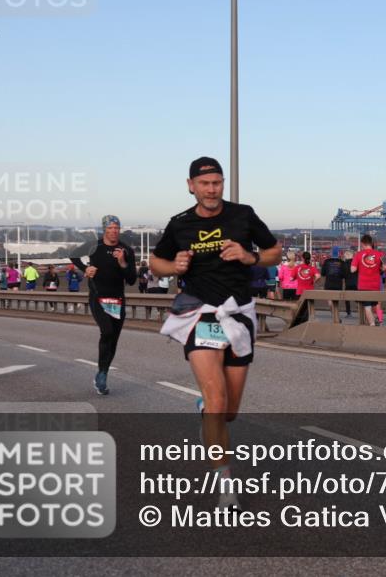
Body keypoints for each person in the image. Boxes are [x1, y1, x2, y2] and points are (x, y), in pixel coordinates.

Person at [149, 157, 281, 511]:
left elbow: (274, 252)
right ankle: (226, 486)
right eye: (205, 184)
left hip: (237, 313)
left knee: (230, 412)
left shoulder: (243, 215)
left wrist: (250, 257)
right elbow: (155, 263)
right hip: (200, 313)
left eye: (217, 183)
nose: (212, 190)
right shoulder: (180, 224)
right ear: (191, 185)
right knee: (218, 402)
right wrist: (173, 266)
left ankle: (206, 410)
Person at [73, 215, 137, 395]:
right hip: (98, 297)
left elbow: (132, 279)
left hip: (118, 299)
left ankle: (103, 373)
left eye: (116, 228)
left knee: (113, 339)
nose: (114, 231)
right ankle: (102, 372)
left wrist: (122, 262)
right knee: (107, 331)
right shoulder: (95, 246)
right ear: (104, 229)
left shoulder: (126, 250)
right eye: (110, 228)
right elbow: (73, 255)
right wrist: (85, 268)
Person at [351, 234, 386, 326]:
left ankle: (372, 325)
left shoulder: (358, 254)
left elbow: (352, 270)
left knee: (367, 307)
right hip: (376, 284)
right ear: (372, 243)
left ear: (362, 243)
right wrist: (380, 269)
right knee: (377, 304)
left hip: (363, 285)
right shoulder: (381, 254)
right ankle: (380, 320)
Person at [320, 247, 348, 319]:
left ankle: (334, 315)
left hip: (328, 284)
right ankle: (336, 316)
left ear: (331, 253)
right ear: (339, 253)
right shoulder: (342, 262)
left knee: (329, 300)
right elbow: (345, 275)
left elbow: (322, 273)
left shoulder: (326, 262)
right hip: (338, 284)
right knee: (336, 302)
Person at [342, 249, 357, 317]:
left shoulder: (344, 264)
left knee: (347, 298)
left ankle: (348, 312)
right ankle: (362, 311)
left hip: (348, 283)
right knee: (359, 298)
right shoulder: (355, 263)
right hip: (356, 282)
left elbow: (343, 275)